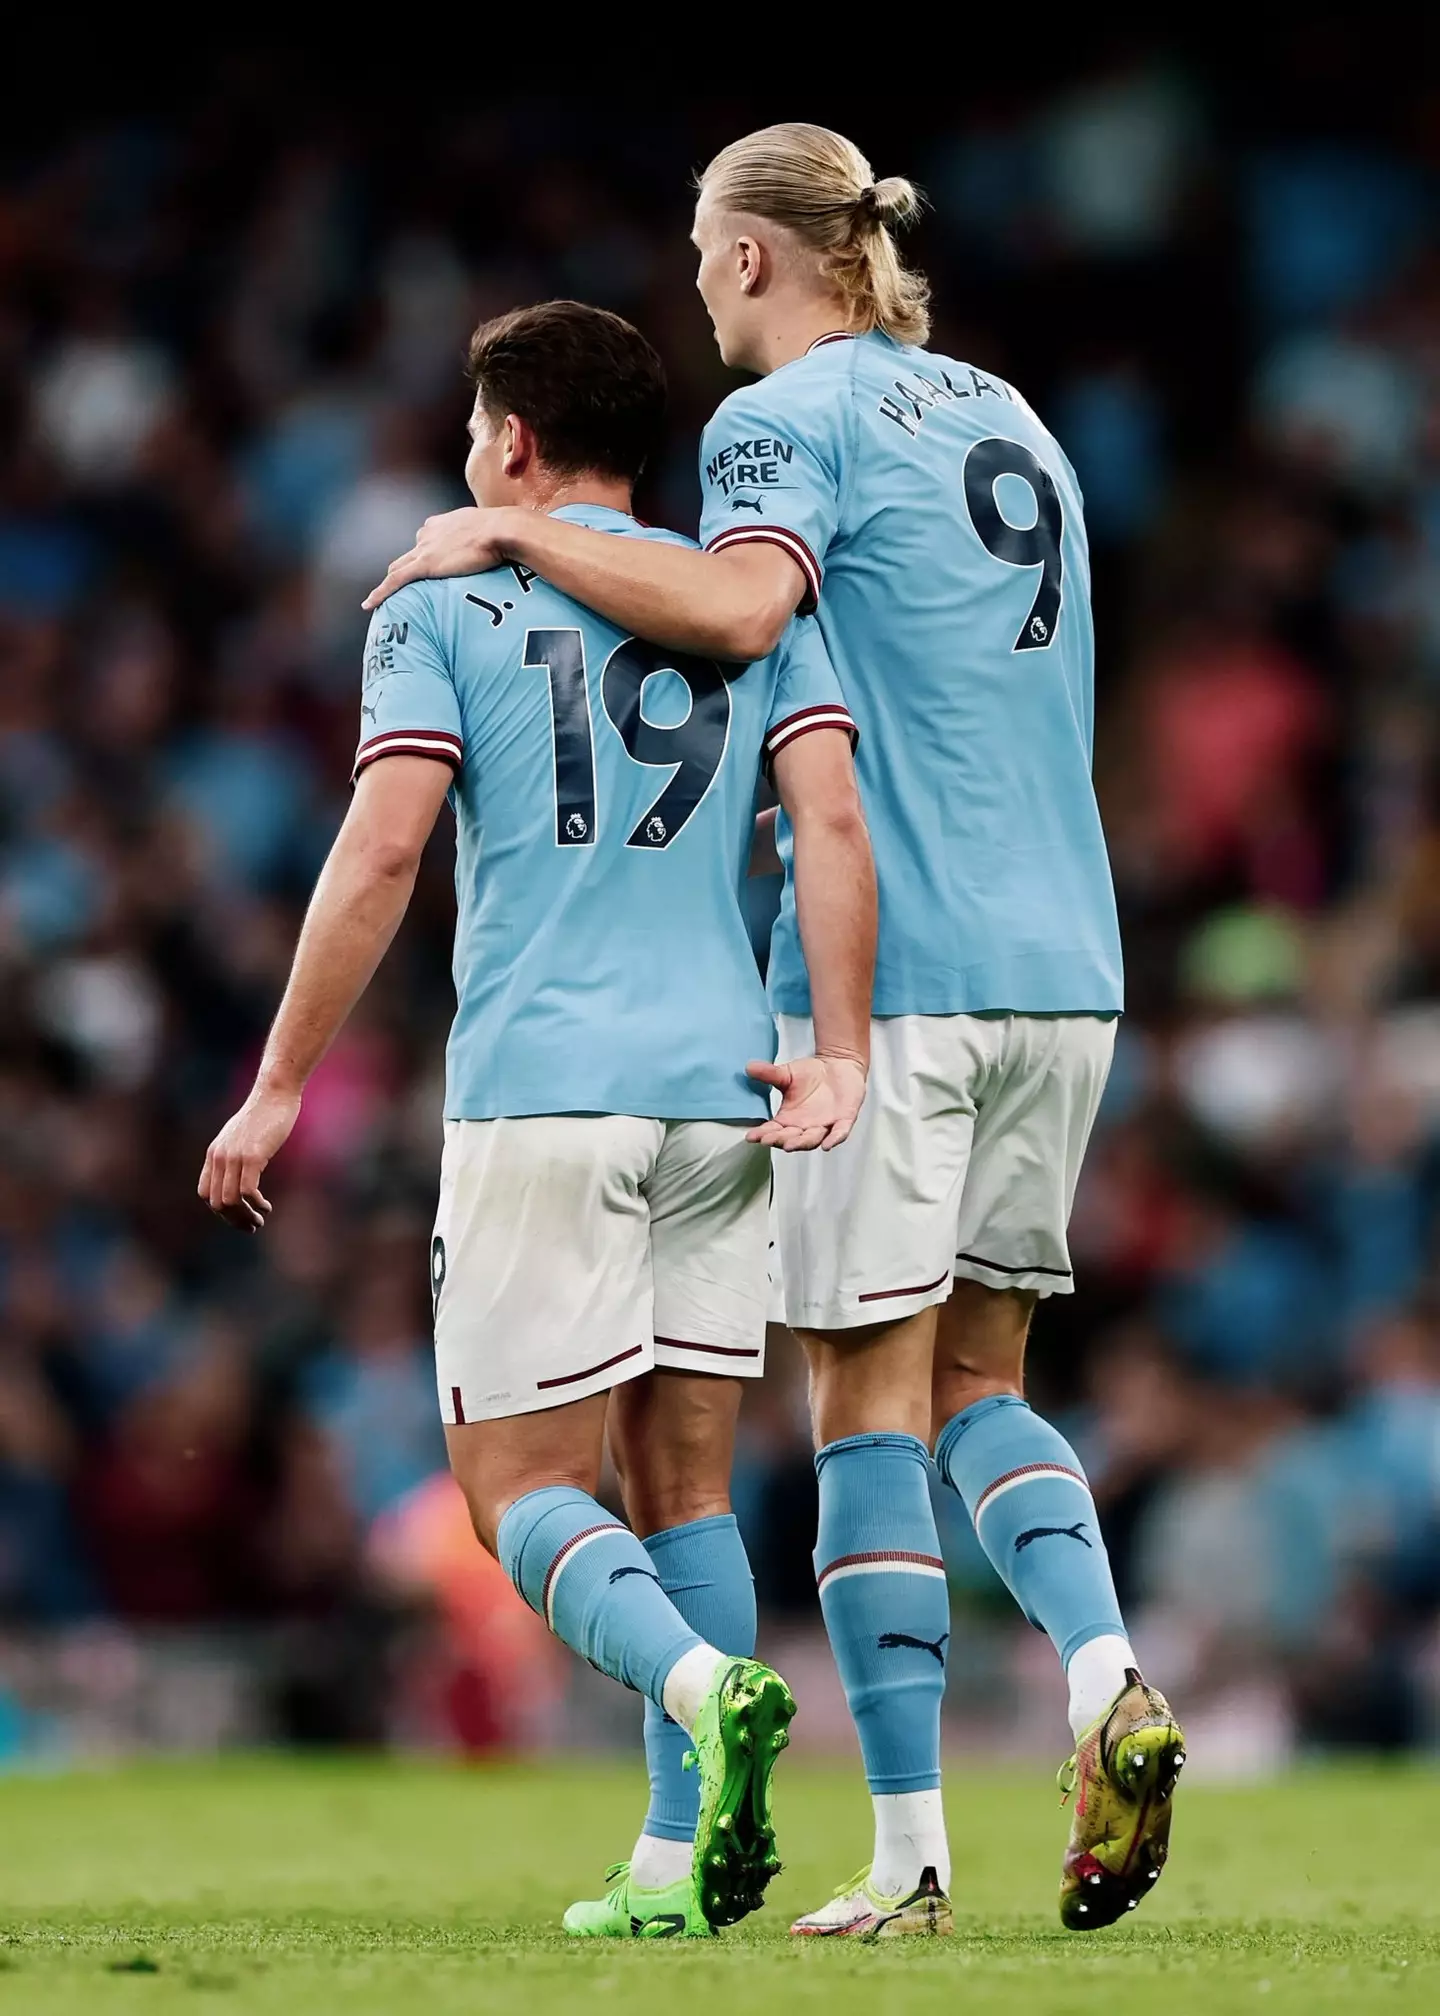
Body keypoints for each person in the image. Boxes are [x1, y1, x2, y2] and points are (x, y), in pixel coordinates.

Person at [363, 126, 1185, 1940]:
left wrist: (508, 528)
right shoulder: (1012, 419)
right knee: (989, 1383)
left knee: (866, 1413)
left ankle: (904, 1860)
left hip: (908, 967)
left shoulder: (772, 424)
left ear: (746, 257)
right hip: (1075, 952)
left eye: (699, 248)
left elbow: (740, 606)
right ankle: (1104, 1668)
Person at [201, 299, 877, 1938]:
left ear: (508, 439)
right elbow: (834, 822)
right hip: (731, 1091)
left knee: (512, 1491)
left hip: (546, 1089)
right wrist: (836, 1043)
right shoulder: (747, 601)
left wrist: (280, 1080)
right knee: (687, 1488)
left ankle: (712, 1690)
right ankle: (669, 1862)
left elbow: (378, 857)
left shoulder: (446, 594)